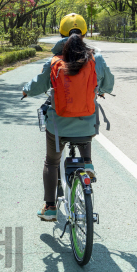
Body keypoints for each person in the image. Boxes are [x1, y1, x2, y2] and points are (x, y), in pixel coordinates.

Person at [22, 13, 114, 222]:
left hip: (59, 125)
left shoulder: (54, 60)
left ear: (60, 33)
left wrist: (26, 91)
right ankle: (87, 164)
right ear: (85, 33)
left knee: (52, 162)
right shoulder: (95, 58)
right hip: (87, 124)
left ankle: (50, 206)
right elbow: (109, 83)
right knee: (87, 120)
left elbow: (38, 85)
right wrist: (102, 89)